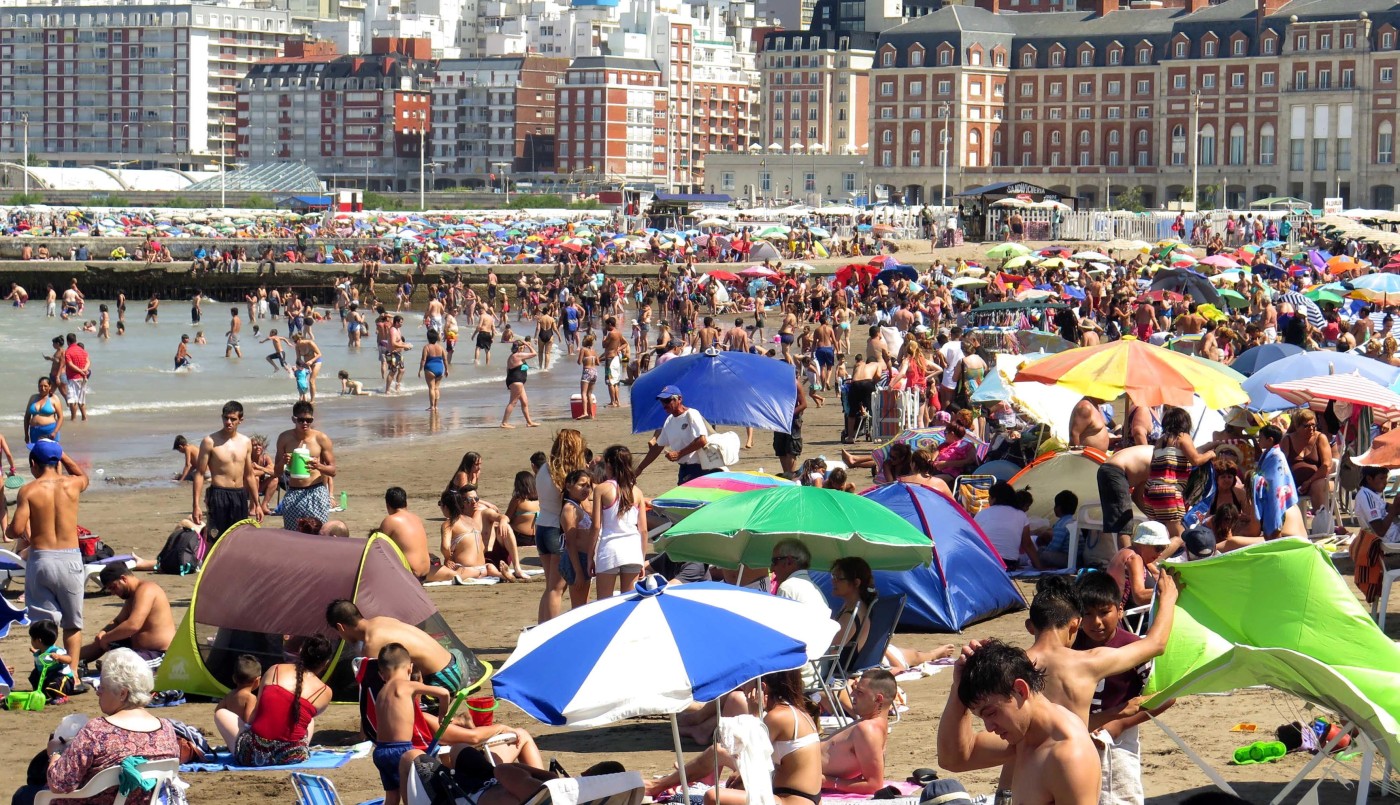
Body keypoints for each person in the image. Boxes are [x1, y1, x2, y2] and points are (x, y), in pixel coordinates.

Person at [936, 639, 1101, 805]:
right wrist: (957, 689)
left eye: (991, 713)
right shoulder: (1026, 737)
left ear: (1020, 690)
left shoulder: (1068, 757)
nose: (989, 727)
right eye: (981, 717)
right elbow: (954, 758)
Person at [646, 669, 823, 805]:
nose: (742, 688)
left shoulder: (778, 716)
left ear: (761, 687)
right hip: (800, 794)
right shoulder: (793, 710)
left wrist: (754, 713)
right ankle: (661, 784)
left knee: (713, 796)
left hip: (791, 800)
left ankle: (662, 784)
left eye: (746, 683)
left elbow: (747, 753)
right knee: (718, 752)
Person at [1074, 572, 1172, 805]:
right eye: (1086, 614)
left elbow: (1167, 696)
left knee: (1118, 795)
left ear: (1119, 610)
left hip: (1118, 738)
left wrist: (1119, 724)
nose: (1095, 622)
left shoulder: (1132, 648)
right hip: (1074, 734)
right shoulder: (1070, 645)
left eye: (1103, 612)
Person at [40, 649, 180, 805]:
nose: (98, 692)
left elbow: (59, 784)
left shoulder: (97, 731)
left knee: (25, 794)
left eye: (102, 687)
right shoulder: (166, 729)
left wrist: (56, 752)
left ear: (122, 693)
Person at [6, 439, 88, 684]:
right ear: (57, 460)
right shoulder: (72, 485)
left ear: (33, 464)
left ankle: (47, 673)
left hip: (42, 560)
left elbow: (16, 529)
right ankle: (71, 675)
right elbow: (82, 474)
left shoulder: (29, 490)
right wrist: (62, 454)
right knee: (73, 623)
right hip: (70, 559)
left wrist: (12, 530)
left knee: (44, 623)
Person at [326, 599, 482, 708]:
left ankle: (460, 723)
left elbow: (373, 694)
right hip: (453, 663)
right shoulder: (381, 620)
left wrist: (364, 734)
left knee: (410, 721)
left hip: (442, 679)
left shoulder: (371, 643)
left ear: (341, 627)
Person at [216, 635, 334, 766]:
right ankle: (296, 747)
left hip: (254, 755)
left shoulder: (275, 669)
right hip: (293, 756)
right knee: (309, 720)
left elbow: (255, 715)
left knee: (221, 714)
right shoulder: (325, 692)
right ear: (326, 662)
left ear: (300, 651)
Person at [828, 557, 954, 676]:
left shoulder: (851, 615)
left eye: (838, 578)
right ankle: (934, 653)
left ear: (856, 582)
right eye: (833, 576)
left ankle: (934, 653)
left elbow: (829, 652)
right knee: (912, 655)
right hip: (873, 654)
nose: (833, 581)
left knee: (915, 656)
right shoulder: (858, 605)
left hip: (868, 660)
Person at [374, 643, 451, 805]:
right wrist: (442, 715)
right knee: (410, 796)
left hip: (380, 750)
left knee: (392, 797)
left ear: (381, 674)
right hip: (401, 750)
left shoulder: (381, 692)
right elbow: (444, 693)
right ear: (410, 668)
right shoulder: (408, 686)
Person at [1143, 406, 1215, 557]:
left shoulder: (1160, 441)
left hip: (1151, 494)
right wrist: (1210, 454)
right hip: (1169, 493)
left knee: (1161, 537)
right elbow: (1195, 460)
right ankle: (1154, 564)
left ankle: (1157, 563)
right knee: (1182, 537)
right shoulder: (1182, 437)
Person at [194, 400, 261, 543]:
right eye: (226, 418)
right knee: (215, 539)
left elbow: (249, 475)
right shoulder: (210, 441)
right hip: (219, 494)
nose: (228, 422)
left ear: (240, 420)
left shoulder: (246, 442)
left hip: (239, 495)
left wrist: (257, 504)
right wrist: (196, 505)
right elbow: (199, 474)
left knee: (240, 538)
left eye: (233, 419)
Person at [820, 669, 897, 795]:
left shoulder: (868, 730)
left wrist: (826, 782)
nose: (852, 695)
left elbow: (874, 785)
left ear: (878, 699)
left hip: (796, 772)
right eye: (854, 689)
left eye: (860, 692)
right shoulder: (871, 725)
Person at [80, 564, 174, 663]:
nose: (113, 593)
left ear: (123, 579)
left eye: (113, 587)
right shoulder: (131, 595)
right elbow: (118, 621)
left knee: (119, 668)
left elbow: (133, 625)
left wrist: (106, 638)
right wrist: (103, 632)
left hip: (159, 654)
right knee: (100, 641)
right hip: (138, 650)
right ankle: (70, 659)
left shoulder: (147, 589)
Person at [590, 445, 648, 599]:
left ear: (608, 464)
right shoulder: (637, 491)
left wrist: (590, 556)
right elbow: (643, 530)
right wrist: (642, 559)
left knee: (603, 603)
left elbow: (596, 526)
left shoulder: (601, 489)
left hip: (609, 548)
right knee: (628, 602)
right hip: (632, 549)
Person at [274, 400, 336, 530]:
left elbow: (333, 470)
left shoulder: (321, 438)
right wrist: (284, 462)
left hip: (316, 491)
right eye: (301, 420)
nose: (305, 423)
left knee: (318, 532)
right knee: (292, 533)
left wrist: (318, 466)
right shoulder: (284, 438)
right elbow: (276, 472)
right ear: (293, 419)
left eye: (309, 420)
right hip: (294, 491)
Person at [637, 385, 716, 484]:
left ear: (679, 399)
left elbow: (702, 440)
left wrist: (679, 453)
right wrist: (640, 469)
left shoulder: (691, 414)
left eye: (667, 400)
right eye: (662, 401)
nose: (664, 405)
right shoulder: (669, 421)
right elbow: (657, 448)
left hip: (700, 469)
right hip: (684, 470)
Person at [380, 486, 456, 583]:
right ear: (406, 503)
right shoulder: (416, 518)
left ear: (388, 505)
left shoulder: (390, 520)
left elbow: (378, 547)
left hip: (411, 574)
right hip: (426, 572)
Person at [439, 489, 510, 582]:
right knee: (488, 567)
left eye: (440, 504)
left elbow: (445, 547)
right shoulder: (471, 520)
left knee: (430, 572)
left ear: (446, 506)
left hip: (466, 569)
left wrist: (448, 558)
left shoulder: (448, 524)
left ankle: (477, 573)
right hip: (484, 567)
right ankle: (499, 574)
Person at [1253, 424, 1306, 538]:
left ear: (1269, 440)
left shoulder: (1276, 456)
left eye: (1260, 438)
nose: (1259, 440)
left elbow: (1275, 479)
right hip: (1271, 491)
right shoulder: (1267, 453)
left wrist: (1255, 478)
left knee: (1275, 520)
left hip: (1276, 493)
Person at [1282, 409, 1333, 524]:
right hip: (1293, 484)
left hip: (1318, 480)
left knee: (1318, 485)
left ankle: (1322, 523)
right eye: (1306, 426)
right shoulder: (1287, 440)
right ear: (1297, 426)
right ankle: (1289, 525)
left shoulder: (1320, 438)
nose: (1311, 429)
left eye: (1313, 425)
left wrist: (1309, 481)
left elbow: (1326, 466)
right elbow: (1281, 464)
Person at [975, 482, 1042, 569]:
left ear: (994, 499)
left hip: (984, 562)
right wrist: (1040, 566)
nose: (988, 499)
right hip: (1009, 564)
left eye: (990, 497)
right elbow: (1027, 544)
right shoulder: (1021, 514)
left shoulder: (981, 514)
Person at [28, 619, 77, 702]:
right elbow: (41, 658)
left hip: (63, 678)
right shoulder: (40, 652)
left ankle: (61, 696)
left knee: (56, 682)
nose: (31, 641)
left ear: (39, 640)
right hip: (47, 676)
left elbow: (69, 659)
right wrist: (34, 652)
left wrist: (59, 657)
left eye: (32, 639)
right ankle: (40, 692)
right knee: (34, 675)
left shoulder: (56, 651)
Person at [774, 367, 808, 477]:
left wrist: (789, 415)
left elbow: (803, 404)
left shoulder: (795, 384)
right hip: (779, 419)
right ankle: (786, 475)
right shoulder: (777, 383)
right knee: (780, 447)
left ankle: (791, 475)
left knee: (792, 448)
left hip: (792, 420)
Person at [215, 654, 263, 729]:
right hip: (242, 735)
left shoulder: (230, 694)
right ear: (257, 680)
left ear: (234, 678)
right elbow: (248, 720)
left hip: (230, 730)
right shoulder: (250, 698)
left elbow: (218, 710)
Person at [501, 339, 540, 428]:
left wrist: (509, 383)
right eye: (523, 346)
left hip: (516, 381)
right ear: (519, 347)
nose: (524, 348)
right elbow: (534, 353)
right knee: (513, 402)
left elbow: (508, 370)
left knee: (524, 401)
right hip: (516, 381)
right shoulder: (518, 355)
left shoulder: (512, 356)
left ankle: (529, 422)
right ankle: (504, 422)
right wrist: (528, 344)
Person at [1036, 490, 1078, 570]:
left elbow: (1054, 546)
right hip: (1078, 558)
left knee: (1041, 553)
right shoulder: (1074, 521)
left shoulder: (1061, 524)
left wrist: (1044, 552)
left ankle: (1049, 566)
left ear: (1059, 508)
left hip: (1068, 559)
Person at [24, 376, 64, 445]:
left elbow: (61, 417)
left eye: (45, 386)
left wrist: (55, 432)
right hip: (34, 431)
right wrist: (26, 434)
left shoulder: (54, 398)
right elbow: (27, 417)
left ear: (50, 386)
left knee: (51, 453)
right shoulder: (33, 398)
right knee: (37, 454)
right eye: (40, 386)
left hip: (49, 431)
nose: (43, 388)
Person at [505, 470, 538, 547]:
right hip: (537, 537)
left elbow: (507, 517)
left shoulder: (518, 500)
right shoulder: (540, 499)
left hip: (521, 537)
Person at [61, 333, 90, 422]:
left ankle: (73, 419)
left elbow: (70, 364)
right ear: (75, 340)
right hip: (83, 377)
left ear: (67, 341)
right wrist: (84, 370)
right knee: (81, 399)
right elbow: (88, 361)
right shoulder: (82, 350)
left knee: (73, 400)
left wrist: (80, 371)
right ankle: (84, 417)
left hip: (73, 377)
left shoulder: (68, 351)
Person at [419, 328, 449, 412]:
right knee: (436, 388)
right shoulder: (441, 347)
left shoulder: (426, 347)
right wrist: (446, 370)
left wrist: (420, 370)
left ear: (428, 338)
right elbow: (445, 360)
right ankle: (436, 406)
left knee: (431, 388)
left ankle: (432, 406)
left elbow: (423, 360)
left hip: (430, 368)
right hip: (440, 368)